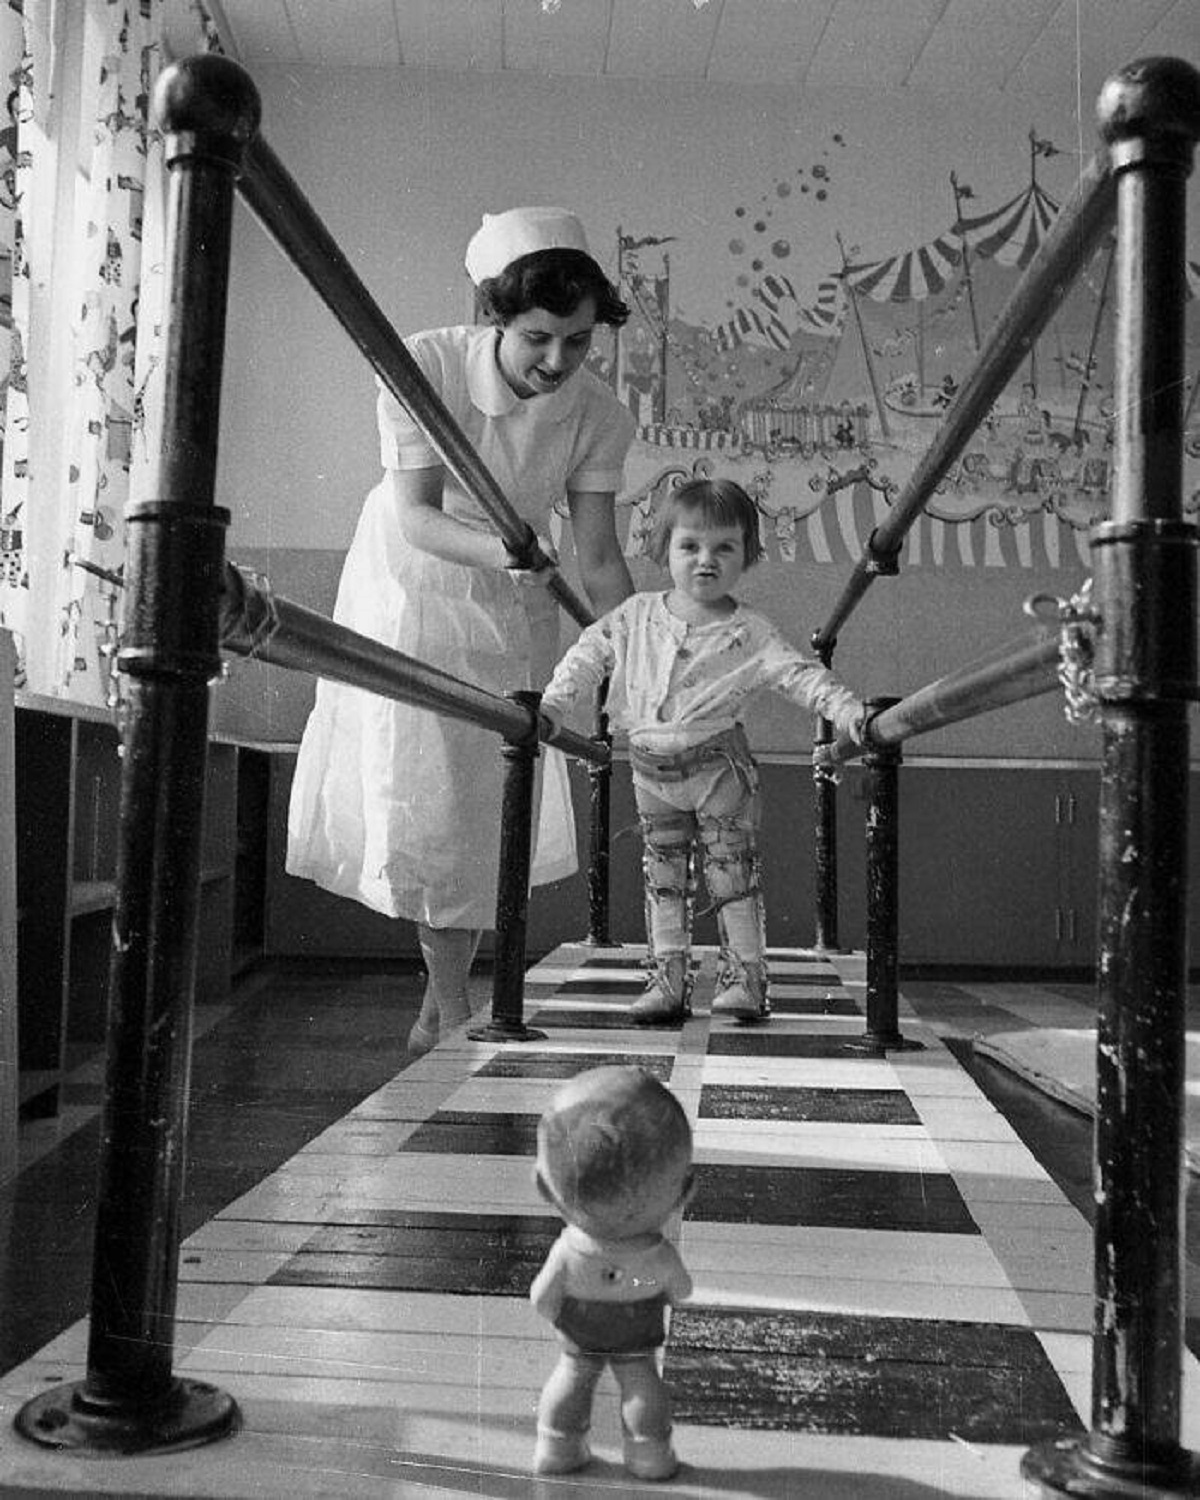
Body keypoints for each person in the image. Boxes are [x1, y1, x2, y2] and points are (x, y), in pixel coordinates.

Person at [287, 208, 636, 1054]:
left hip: (511, 599)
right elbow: (414, 517)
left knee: (485, 803)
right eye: (540, 339)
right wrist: (508, 548)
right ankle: (447, 1006)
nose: (559, 362)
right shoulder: (422, 363)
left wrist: (639, 648)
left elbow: (596, 556)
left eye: (580, 342)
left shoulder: (599, 414)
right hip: (413, 584)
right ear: (496, 318)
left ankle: (442, 1008)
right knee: (430, 799)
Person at [539, 476, 870, 1025]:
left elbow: (803, 678)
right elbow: (585, 655)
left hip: (719, 770)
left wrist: (851, 713)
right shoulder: (634, 616)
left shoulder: (751, 632)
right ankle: (668, 976)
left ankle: (746, 976)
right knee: (663, 875)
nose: (705, 560)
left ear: (748, 555)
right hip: (650, 772)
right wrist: (553, 707)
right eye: (689, 546)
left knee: (731, 874)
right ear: (663, 548)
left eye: (724, 548)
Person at [530, 1065, 695, 1481]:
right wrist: (667, 1289)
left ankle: (557, 1445)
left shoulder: (567, 1251)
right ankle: (649, 1453)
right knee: (642, 1382)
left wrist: (554, 1309)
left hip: (580, 1330)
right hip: (636, 1330)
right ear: (685, 1193)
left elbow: (542, 1299)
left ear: (544, 1188)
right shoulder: (658, 1255)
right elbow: (682, 1290)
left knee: (570, 1377)